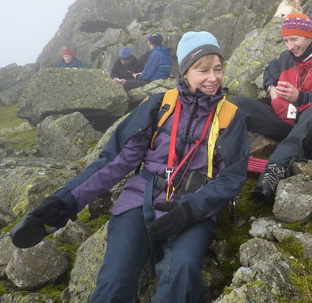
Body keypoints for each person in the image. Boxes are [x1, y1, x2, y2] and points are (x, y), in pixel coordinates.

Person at [23, 31, 249, 302]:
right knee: (113, 282)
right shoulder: (159, 105)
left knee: (181, 271)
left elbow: (231, 177)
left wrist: (190, 210)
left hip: (195, 205)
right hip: (140, 199)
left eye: (218, 69)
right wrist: (65, 202)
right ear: (185, 71)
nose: (213, 78)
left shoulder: (230, 116)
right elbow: (116, 161)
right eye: (203, 70)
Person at [230, 13, 312, 203]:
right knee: (236, 103)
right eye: (286, 40)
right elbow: (269, 71)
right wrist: (271, 89)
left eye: (294, 39)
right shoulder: (286, 58)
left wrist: (300, 97)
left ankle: (272, 174)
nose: (290, 46)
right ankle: (218, 158)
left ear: (309, 36)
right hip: (286, 120)